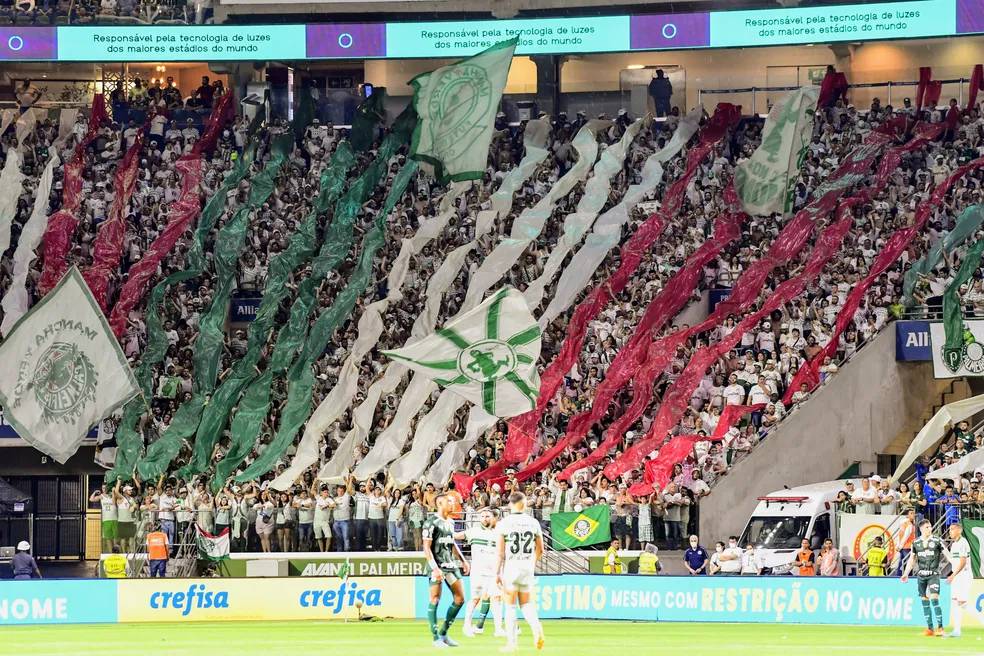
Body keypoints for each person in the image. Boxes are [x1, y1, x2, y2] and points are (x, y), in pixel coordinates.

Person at [495, 492, 544, 652]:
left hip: (512, 567)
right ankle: (537, 631)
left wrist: (497, 573)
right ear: (525, 504)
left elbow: (501, 553)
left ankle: (512, 644)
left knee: (509, 607)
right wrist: (531, 563)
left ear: (510, 504)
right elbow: (541, 549)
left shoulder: (504, 523)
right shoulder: (533, 522)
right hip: (527, 568)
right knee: (527, 604)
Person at [423, 493, 470, 648]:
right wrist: (435, 568)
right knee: (435, 599)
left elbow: (452, 544)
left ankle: (444, 633)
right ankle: (435, 637)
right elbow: (426, 548)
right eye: (449, 501)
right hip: (436, 565)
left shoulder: (450, 522)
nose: (452, 504)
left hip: (450, 564)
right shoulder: (431, 522)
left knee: (460, 599)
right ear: (440, 503)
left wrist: (463, 560)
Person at [455, 508, 504, 637]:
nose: (485, 518)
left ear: (493, 518)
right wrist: (443, 532)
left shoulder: (499, 533)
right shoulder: (474, 531)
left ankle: (498, 629)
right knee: (475, 599)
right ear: (479, 518)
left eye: (487, 516)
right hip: (478, 572)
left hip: (494, 572)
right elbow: (456, 536)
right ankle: (466, 625)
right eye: (482, 516)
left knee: (496, 598)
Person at [900, 519, 945, 636]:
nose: (930, 529)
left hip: (933, 574)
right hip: (921, 576)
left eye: (930, 527)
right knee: (924, 601)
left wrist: (955, 569)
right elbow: (911, 559)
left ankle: (940, 628)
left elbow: (948, 554)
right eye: (927, 527)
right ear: (921, 529)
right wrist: (906, 573)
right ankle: (930, 629)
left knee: (934, 598)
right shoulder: (915, 543)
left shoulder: (937, 541)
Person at [945, 522, 972, 638]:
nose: (949, 531)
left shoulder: (962, 542)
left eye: (952, 529)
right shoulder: (955, 544)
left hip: (963, 575)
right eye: (950, 529)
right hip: (957, 576)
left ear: (959, 531)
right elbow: (953, 561)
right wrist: (943, 550)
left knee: (961, 602)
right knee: (956, 602)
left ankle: (957, 630)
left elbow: (963, 562)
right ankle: (957, 630)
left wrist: (952, 575)